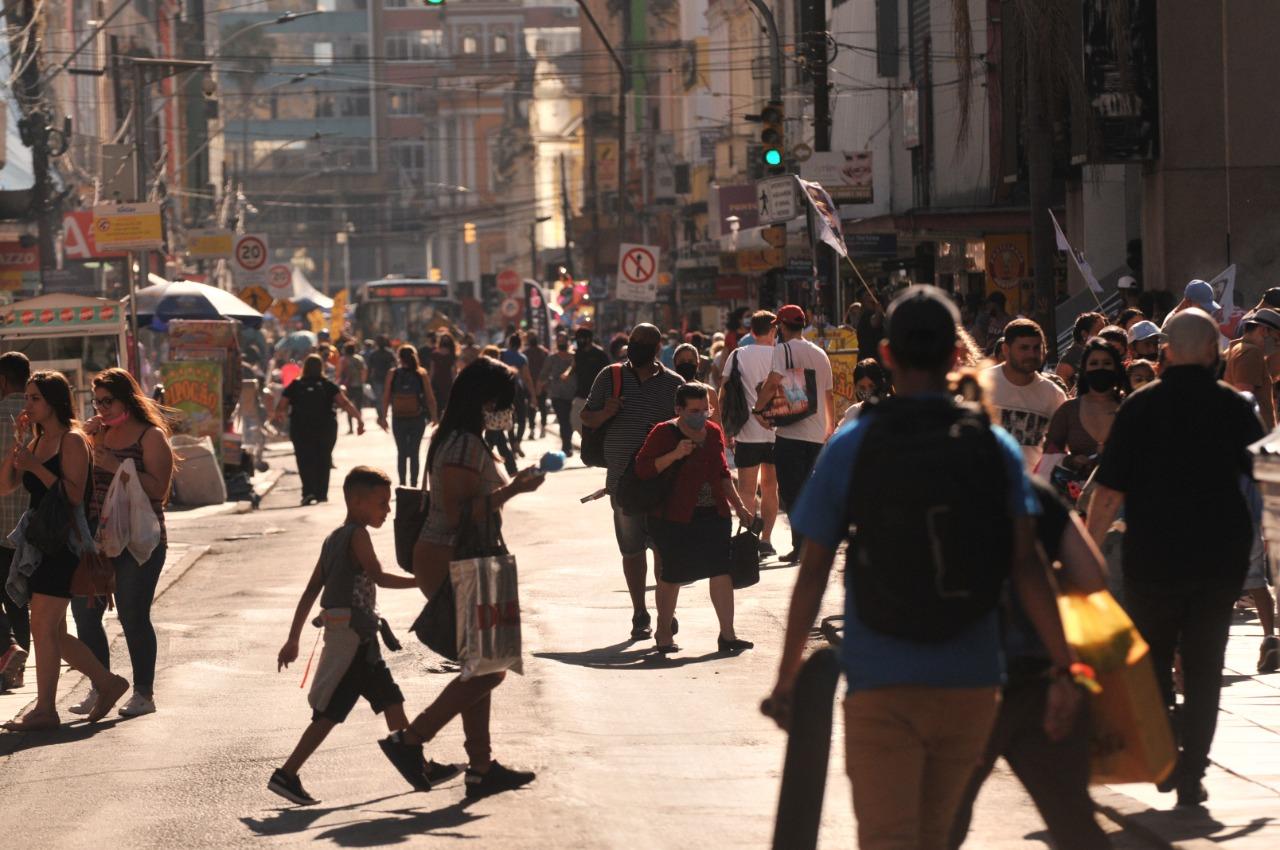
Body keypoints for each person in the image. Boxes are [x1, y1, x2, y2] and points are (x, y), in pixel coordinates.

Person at [766, 286, 1079, 850]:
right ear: (957, 356)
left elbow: (812, 571)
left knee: (889, 839)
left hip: (880, 676)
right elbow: (1028, 567)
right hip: (973, 680)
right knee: (935, 840)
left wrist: (789, 675)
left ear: (887, 356)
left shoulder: (854, 443)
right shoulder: (994, 446)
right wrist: (1064, 670)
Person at [1086, 308, 1266, 808]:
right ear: (1212, 353)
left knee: (1154, 661)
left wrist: (1086, 548)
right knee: (1206, 666)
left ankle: (1165, 749)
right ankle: (1193, 773)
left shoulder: (1140, 408)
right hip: (1219, 560)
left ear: (1165, 351)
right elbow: (1267, 480)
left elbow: (1108, 491)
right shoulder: (1233, 407)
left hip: (1154, 559)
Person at [383, 359, 543, 799]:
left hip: (475, 556)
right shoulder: (462, 445)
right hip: (454, 555)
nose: (507, 409)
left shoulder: (468, 440)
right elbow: (457, 515)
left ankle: (481, 766)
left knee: (481, 663)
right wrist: (513, 490)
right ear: (486, 400)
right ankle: (411, 739)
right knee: (490, 669)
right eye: (503, 401)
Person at [948, 477, 1111, 850]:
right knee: (1073, 818)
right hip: (1046, 678)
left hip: (964, 682)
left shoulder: (932, 489)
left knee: (945, 818)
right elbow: (1093, 576)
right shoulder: (1031, 491)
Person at [271, 467, 439, 805]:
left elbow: (310, 592)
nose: (388, 510)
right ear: (357, 501)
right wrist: (423, 581)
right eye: (382, 503)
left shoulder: (333, 538)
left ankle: (418, 763)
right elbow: (378, 576)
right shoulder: (357, 535)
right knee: (332, 712)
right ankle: (286, 774)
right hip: (353, 641)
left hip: (356, 638)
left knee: (390, 698)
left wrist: (293, 638)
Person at [0, 371, 130, 730]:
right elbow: (5, 486)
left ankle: (45, 708)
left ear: (54, 402)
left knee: (41, 624)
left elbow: (73, 495)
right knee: (52, 631)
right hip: (39, 541)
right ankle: (107, 683)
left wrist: (35, 467)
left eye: (34, 398)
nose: (27, 405)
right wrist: (18, 448)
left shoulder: (72, 440)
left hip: (65, 543)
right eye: (26, 397)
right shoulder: (37, 440)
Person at [69, 368, 175, 719]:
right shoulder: (98, 433)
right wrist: (84, 442)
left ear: (127, 398)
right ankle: (102, 685)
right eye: (96, 402)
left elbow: (158, 489)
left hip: (139, 540)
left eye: (108, 401)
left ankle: (144, 692)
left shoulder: (150, 435)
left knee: (132, 614)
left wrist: (118, 465)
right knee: (85, 614)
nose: (101, 409)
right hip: (97, 540)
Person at [580, 324, 684, 637]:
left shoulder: (674, 383)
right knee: (632, 549)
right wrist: (605, 413)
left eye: (645, 343)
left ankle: (666, 610)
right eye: (634, 342)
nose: (637, 347)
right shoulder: (610, 376)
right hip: (622, 482)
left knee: (664, 548)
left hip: (662, 480)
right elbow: (587, 416)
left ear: (658, 347)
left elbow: (685, 425)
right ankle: (640, 612)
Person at [634, 383, 754, 654]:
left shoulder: (712, 432)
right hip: (673, 517)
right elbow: (643, 469)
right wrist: (676, 453)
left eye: (705, 409)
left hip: (714, 514)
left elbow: (723, 474)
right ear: (679, 410)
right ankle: (663, 633)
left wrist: (740, 507)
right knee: (673, 573)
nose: (701, 415)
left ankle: (728, 635)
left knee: (721, 570)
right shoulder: (663, 433)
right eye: (694, 410)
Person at [753, 304, 835, 563]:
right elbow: (829, 394)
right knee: (810, 491)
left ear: (782, 326)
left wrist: (758, 408)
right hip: (817, 433)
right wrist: (830, 427)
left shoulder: (783, 349)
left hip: (792, 433)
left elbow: (773, 382)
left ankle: (801, 546)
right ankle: (812, 544)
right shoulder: (820, 353)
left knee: (791, 493)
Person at [719, 310, 781, 557]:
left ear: (752, 331)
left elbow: (723, 392)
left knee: (746, 488)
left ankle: (749, 538)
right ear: (774, 330)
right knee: (770, 487)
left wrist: (725, 429)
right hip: (778, 430)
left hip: (746, 431)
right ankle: (766, 540)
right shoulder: (781, 354)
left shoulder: (738, 355)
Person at [277, 354, 366, 505]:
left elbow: (281, 407)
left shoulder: (295, 385)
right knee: (324, 458)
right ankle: (321, 493)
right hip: (326, 428)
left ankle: (308, 491)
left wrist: (281, 418)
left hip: (301, 428)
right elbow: (344, 403)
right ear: (321, 368)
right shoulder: (327, 385)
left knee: (304, 459)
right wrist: (359, 419)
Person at [984, 318, 1066, 469]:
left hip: (1029, 487)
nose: (1031, 354)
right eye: (1024, 348)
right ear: (1006, 350)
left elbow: (1060, 447)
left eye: (1037, 348)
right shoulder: (983, 383)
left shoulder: (1054, 395)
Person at [1043, 339, 1123, 482]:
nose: (1100, 368)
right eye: (1094, 363)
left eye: (1107, 363)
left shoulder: (1131, 407)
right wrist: (1071, 461)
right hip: (1078, 496)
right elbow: (1049, 453)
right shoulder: (1068, 410)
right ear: (1085, 370)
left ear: (1116, 368)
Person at [0, 352, 30, 692]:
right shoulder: (41, 413)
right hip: (32, 528)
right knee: (20, 602)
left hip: (0, 526)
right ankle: (16, 669)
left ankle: (9, 664)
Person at [379, 346, 437, 489]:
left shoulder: (393, 373)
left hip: (398, 418)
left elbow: (386, 396)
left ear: (399, 358)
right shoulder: (421, 373)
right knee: (414, 452)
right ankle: (413, 484)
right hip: (417, 417)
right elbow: (430, 397)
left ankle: (403, 483)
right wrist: (434, 416)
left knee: (402, 452)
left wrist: (383, 416)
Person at [1224, 307, 1280, 432]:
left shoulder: (1238, 348)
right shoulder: (1252, 352)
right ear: (1264, 331)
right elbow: (1244, 399)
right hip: (1252, 439)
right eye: (1277, 340)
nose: (1277, 346)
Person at [538, 331, 576, 455]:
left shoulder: (574, 357)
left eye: (563, 340)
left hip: (574, 395)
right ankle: (567, 446)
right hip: (557, 395)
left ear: (567, 341)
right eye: (558, 340)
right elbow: (543, 375)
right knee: (563, 420)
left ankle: (568, 443)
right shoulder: (551, 358)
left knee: (572, 420)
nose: (561, 342)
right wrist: (541, 386)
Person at [499, 334, 536, 456]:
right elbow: (527, 378)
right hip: (518, 390)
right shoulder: (522, 358)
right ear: (520, 344)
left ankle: (513, 442)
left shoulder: (502, 354)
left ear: (509, 343)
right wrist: (533, 396)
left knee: (510, 419)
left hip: (504, 390)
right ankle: (517, 443)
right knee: (522, 418)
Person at [569, 326, 610, 435]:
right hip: (580, 394)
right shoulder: (578, 353)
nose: (579, 341)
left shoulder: (600, 354)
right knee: (575, 421)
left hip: (597, 396)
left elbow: (608, 374)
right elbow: (574, 367)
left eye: (581, 339)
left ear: (588, 339)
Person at [1054, 311, 1105, 390]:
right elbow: (1060, 384)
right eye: (1099, 332)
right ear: (1084, 334)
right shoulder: (1072, 356)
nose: (1104, 336)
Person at [840, 358, 893, 428]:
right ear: (855, 387)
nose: (867, 391)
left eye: (871, 386)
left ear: (879, 384)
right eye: (862, 387)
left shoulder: (891, 410)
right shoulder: (852, 413)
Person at [524, 331, 550, 439]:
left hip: (534, 385)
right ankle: (537, 429)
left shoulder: (526, 353)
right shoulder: (543, 352)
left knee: (533, 408)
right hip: (538, 385)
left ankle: (535, 429)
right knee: (539, 408)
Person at [339, 342, 367, 435]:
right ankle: (360, 424)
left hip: (347, 386)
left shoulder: (343, 360)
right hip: (358, 385)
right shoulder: (359, 359)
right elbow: (364, 370)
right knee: (358, 406)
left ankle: (350, 427)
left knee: (348, 406)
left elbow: (339, 372)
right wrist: (362, 381)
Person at [366, 336, 397, 417]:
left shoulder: (374, 354)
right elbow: (395, 365)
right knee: (388, 396)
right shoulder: (389, 353)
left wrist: (368, 378)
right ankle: (384, 412)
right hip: (388, 379)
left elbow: (369, 368)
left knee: (379, 397)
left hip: (378, 379)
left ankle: (381, 413)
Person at [429, 334, 458, 416]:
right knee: (446, 405)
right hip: (447, 382)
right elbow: (454, 372)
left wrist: (429, 384)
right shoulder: (452, 355)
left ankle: (438, 422)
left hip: (437, 382)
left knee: (437, 404)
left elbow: (432, 371)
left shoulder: (434, 354)